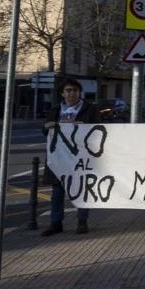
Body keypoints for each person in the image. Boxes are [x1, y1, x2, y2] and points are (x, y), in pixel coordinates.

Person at [41, 78, 95, 236]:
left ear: (79, 93)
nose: (72, 93)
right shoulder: (55, 109)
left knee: (82, 189)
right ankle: (56, 223)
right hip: (59, 157)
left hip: (81, 157)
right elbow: (45, 130)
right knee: (57, 192)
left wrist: (85, 126)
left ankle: (82, 221)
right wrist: (47, 126)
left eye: (75, 90)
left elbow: (100, 128)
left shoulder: (89, 109)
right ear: (62, 93)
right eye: (68, 90)